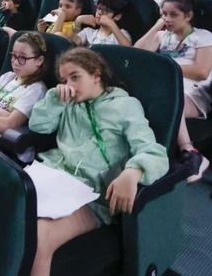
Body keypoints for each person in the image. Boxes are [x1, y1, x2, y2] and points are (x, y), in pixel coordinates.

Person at [28, 48, 169, 274]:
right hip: (51, 179)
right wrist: (54, 99)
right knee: (6, 211)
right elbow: (39, 126)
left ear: (96, 75)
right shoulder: (68, 102)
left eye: (75, 77)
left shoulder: (125, 105)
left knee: (38, 237)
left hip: (91, 195)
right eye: (65, 80)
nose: (69, 85)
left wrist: (133, 171)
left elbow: (153, 151)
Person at [135, 0, 212, 183]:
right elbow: (136, 52)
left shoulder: (203, 37)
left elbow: (201, 71)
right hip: (163, 87)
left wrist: (166, 68)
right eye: (164, 14)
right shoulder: (162, 35)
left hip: (193, 93)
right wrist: (156, 27)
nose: (167, 19)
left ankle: (191, 152)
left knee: (171, 98)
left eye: (173, 15)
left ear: (188, 16)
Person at [0, 32, 48, 140]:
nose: (15, 62)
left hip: (2, 145)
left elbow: (7, 125)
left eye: (22, 58)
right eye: (13, 55)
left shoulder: (36, 89)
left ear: (39, 61)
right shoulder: (8, 77)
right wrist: (0, 112)